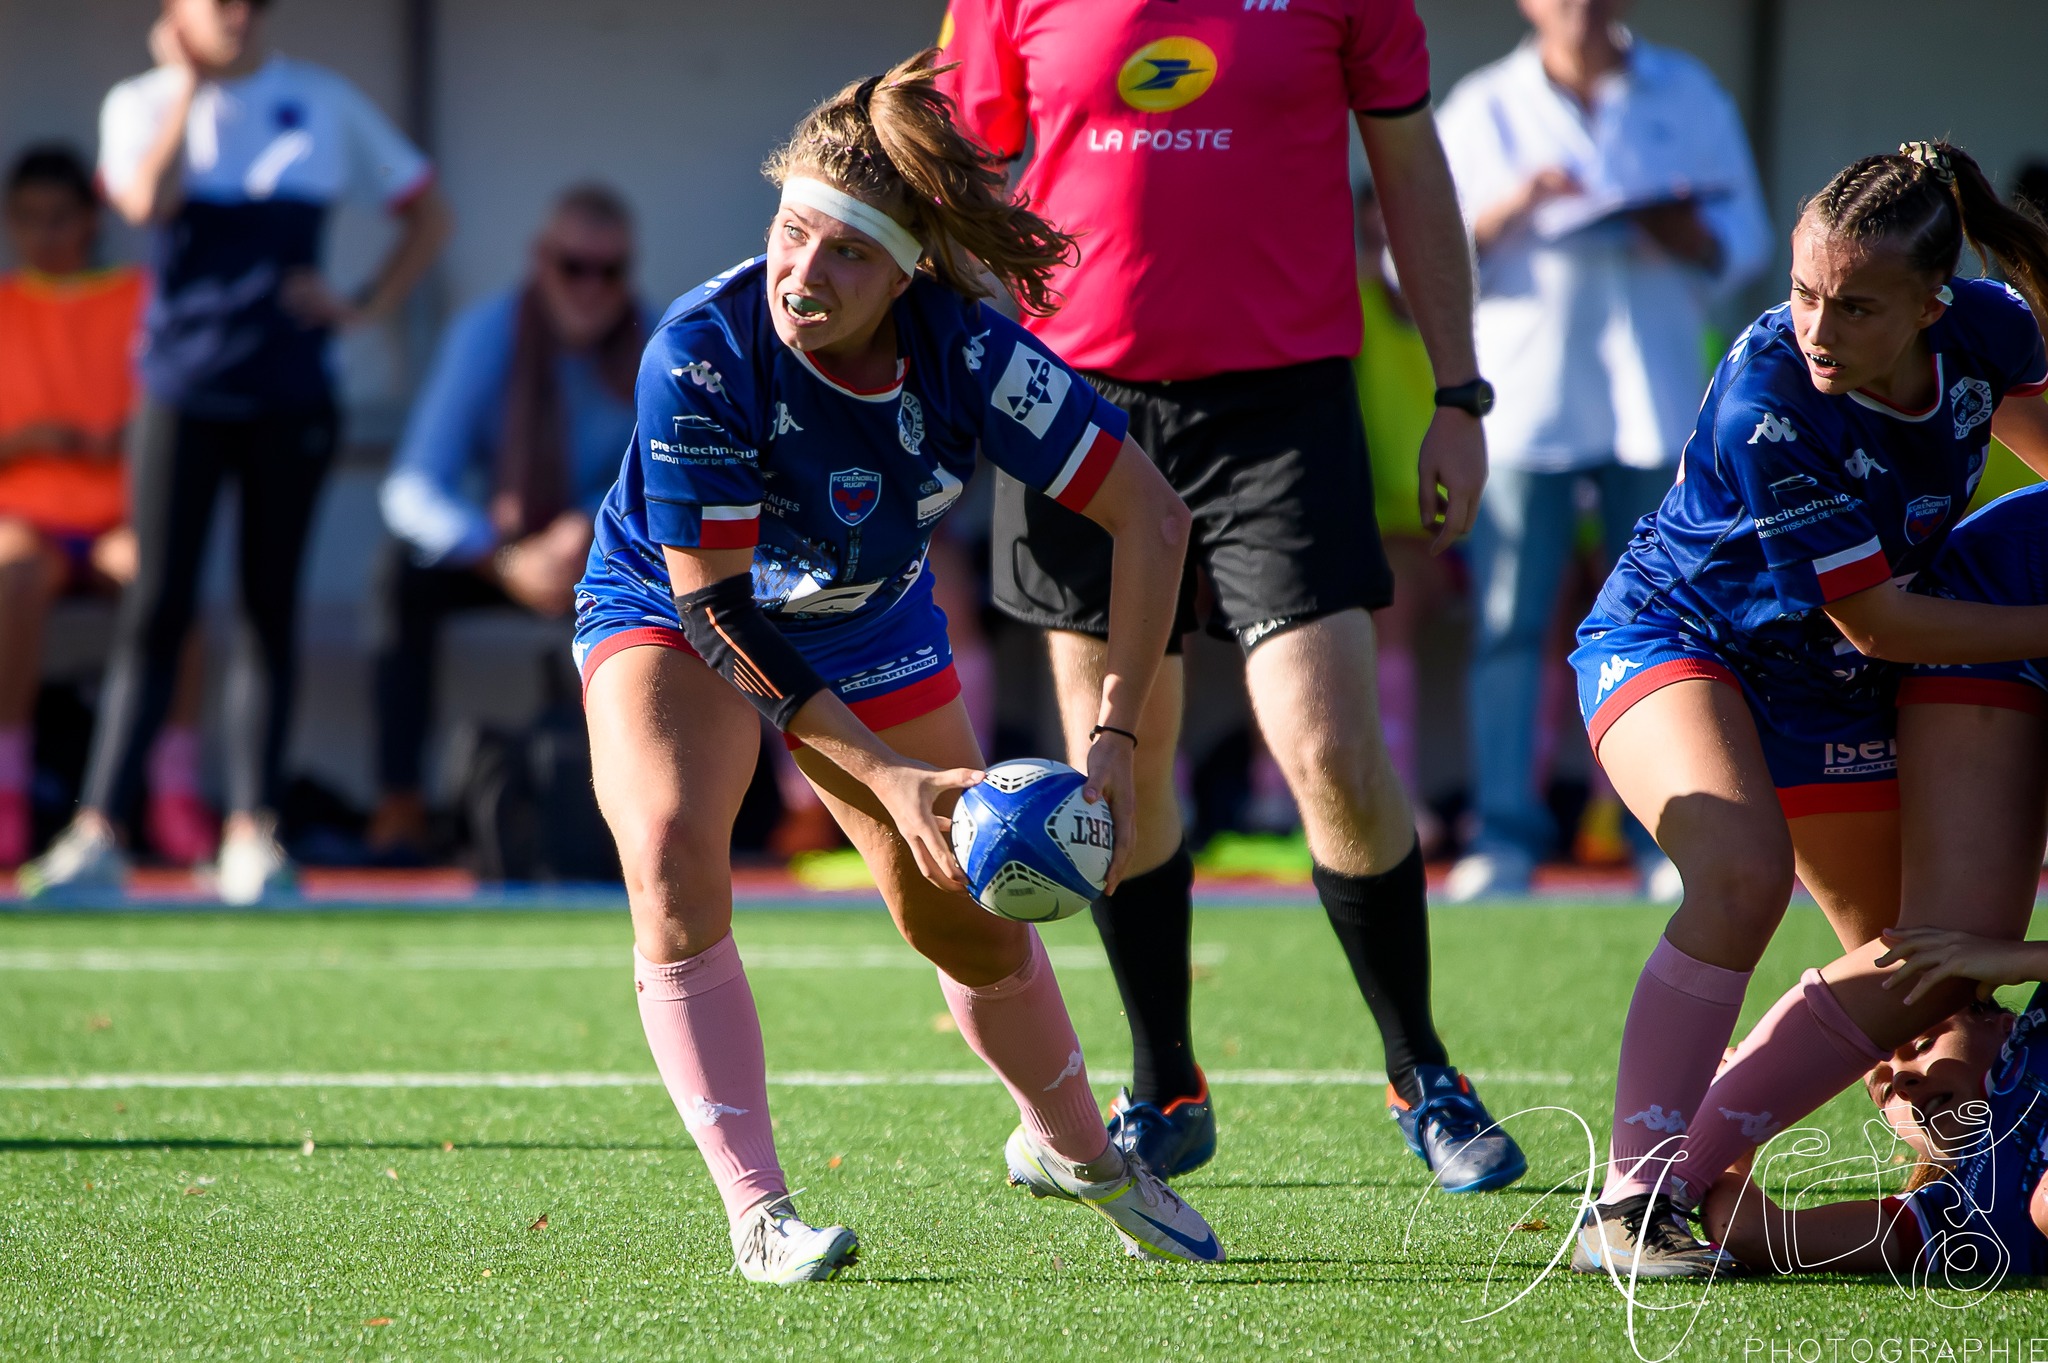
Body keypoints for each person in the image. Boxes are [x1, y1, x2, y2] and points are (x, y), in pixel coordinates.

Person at [576, 56, 1220, 1283]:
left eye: (848, 256)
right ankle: (758, 1209)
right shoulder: (700, 355)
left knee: (962, 910)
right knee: (666, 847)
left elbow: (1154, 519)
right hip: (680, 609)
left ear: (911, 270)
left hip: (865, 613)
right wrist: (886, 776)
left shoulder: (970, 355)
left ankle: (1079, 1151)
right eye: (790, 233)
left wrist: (1116, 740)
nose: (802, 277)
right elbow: (718, 614)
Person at [938, 0, 1526, 1195]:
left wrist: (1456, 397)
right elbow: (951, 182)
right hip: (1073, 404)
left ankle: (1422, 1072)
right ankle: (1165, 1088)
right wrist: (965, 363)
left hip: (1281, 410)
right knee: (1120, 761)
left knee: (1331, 749)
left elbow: (1409, 170)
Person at [1564, 141, 2048, 1277]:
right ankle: (1638, 1200)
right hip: (1674, 641)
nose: (1815, 327)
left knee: (1925, 988)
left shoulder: (1990, 330)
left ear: (1932, 308)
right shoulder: (1767, 401)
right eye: (1800, 291)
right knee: (1737, 876)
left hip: (1832, 687)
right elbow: (1878, 625)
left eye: (1854, 304)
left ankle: (1932, 1175)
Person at [20, 0, 449, 903]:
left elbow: (427, 212)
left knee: (267, 607)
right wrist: (188, 85)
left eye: (251, 4)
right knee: (158, 604)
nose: (237, 17)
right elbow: (145, 201)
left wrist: (359, 302)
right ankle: (98, 831)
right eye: (216, 4)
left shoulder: (322, 101)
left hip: (289, 392)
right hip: (180, 392)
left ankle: (254, 832)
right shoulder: (140, 100)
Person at [1591, 480, 2048, 1277]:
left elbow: (1752, 1227)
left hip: (1982, 588)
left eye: (1882, 1075)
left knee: (1892, 949)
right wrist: (2017, 959)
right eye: (1903, 1057)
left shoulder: (1975, 1214)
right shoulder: (1994, 1217)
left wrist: (1731, 1112)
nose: (1897, 1076)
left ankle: (1639, 1195)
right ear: (1999, 1025)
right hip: (2006, 581)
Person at [1435, 0, 1770, 901]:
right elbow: (1409, 263)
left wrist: (1685, 232)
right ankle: (1502, 836)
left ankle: (1665, 834)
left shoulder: (1688, 94)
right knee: (1508, 623)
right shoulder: (1481, 106)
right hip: (1524, 402)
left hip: (1651, 401)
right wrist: (1509, 210)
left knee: (1667, 626)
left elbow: (1750, 243)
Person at [368, 184, 646, 862]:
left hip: (610, 557)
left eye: (608, 272)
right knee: (397, 578)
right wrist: (499, 557)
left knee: (699, 583)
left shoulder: (661, 343)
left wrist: (589, 528)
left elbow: (677, 478)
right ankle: (399, 802)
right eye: (572, 267)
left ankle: (666, 805)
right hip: (504, 553)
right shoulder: (487, 332)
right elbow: (411, 485)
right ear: (540, 259)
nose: (590, 288)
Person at [1697, 931, 2048, 1278]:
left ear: (2004, 1026)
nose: (1902, 1081)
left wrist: (2022, 958)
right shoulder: (1955, 1213)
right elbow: (1750, 1233)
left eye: (1924, 1045)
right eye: (1885, 1092)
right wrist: (1733, 1116)